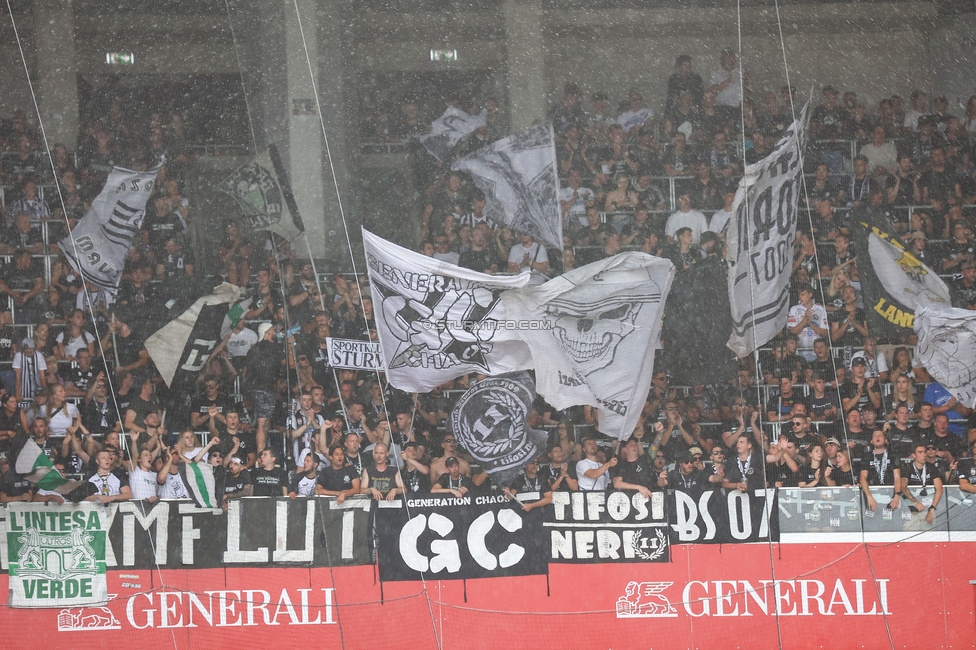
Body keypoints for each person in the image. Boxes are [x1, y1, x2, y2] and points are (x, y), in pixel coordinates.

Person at [244, 322, 287, 452]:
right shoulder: (274, 349)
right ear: (267, 333)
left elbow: (246, 371)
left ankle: (263, 451)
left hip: (255, 388)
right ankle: (261, 454)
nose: (276, 332)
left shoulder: (253, 350)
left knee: (264, 422)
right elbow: (286, 365)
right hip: (265, 389)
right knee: (263, 423)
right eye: (273, 330)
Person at [899, 443, 943, 526]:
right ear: (914, 455)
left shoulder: (932, 467)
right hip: (911, 509)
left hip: (928, 508)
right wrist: (916, 503)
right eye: (920, 452)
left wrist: (932, 509)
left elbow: (939, 489)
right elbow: (902, 487)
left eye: (924, 452)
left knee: (929, 535)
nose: (924, 455)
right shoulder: (907, 467)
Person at [859, 429, 901, 513]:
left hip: (890, 494)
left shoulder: (893, 454)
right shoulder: (866, 456)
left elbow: (897, 477)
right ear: (871, 441)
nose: (877, 437)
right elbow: (862, 478)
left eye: (880, 435)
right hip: (872, 493)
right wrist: (869, 497)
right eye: (875, 436)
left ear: (885, 440)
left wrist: (897, 496)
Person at [787, 283, 829, 361]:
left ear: (810, 294)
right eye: (799, 294)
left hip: (817, 354)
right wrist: (805, 319)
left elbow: (825, 333)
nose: (800, 297)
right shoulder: (794, 309)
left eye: (803, 294)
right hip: (799, 353)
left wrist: (810, 324)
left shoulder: (820, 309)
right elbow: (793, 332)